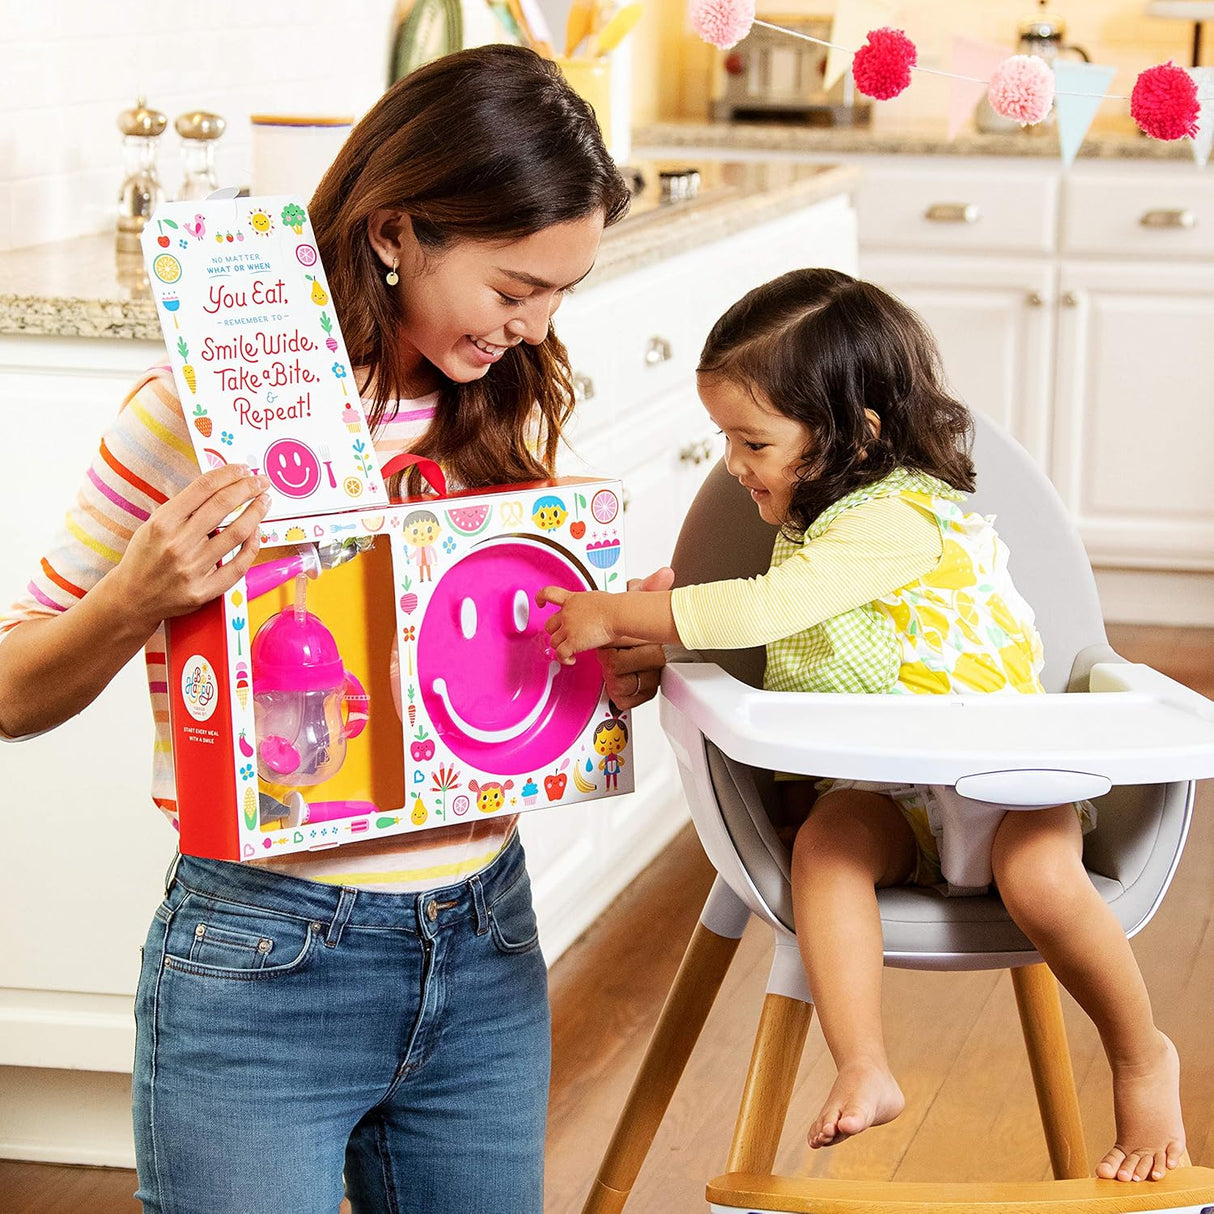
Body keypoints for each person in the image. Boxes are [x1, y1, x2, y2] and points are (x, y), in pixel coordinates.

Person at [0, 45, 670, 1214]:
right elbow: (13, 692)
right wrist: (134, 599)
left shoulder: (505, 410)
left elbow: (501, 685)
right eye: (513, 288)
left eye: (562, 291)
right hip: (265, 954)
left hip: (486, 933)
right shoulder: (189, 415)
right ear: (393, 231)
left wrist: (608, 664)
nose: (534, 326)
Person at [538, 267, 1187, 1185]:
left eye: (750, 440)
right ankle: (864, 1060)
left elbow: (772, 611)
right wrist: (669, 624)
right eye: (726, 438)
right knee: (826, 853)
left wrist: (618, 616)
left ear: (858, 436)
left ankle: (1137, 1054)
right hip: (887, 797)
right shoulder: (811, 525)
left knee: (1041, 875)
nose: (732, 464)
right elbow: (763, 633)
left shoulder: (899, 521)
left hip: (1001, 784)